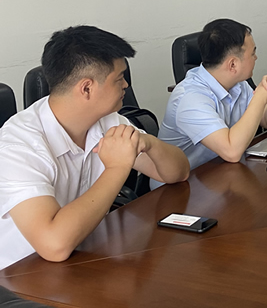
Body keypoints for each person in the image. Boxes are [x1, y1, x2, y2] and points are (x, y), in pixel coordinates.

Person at [0, 26, 190, 270]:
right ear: (87, 88)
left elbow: (177, 173)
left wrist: (149, 143)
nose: (126, 85)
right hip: (20, 276)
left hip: (84, 253)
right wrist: (117, 168)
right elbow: (54, 245)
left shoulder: (107, 120)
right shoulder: (18, 146)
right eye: (119, 78)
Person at [158, 19, 267, 172]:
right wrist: (261, 97)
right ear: (233, 64)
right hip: (184, 182)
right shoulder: (190, 98)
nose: (256, 58)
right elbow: (231, 152)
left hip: (220, 171)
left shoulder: (238, 83)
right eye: (252, 53)